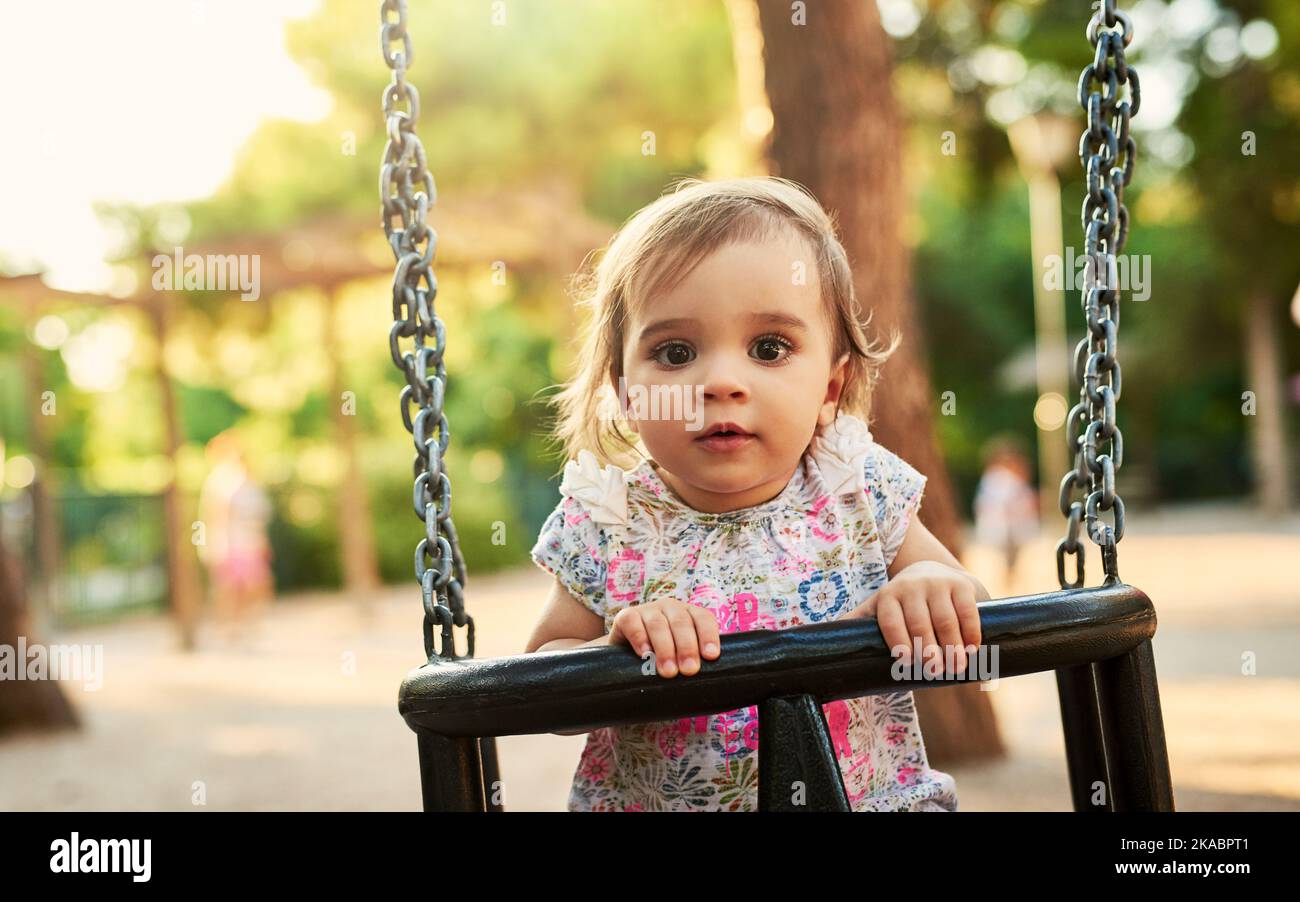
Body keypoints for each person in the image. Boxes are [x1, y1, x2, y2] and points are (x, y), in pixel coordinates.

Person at [525, 176, 990, 812]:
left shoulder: (856, 487)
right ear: (627, 391)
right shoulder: (608, 520)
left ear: (830, 387)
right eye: (675, 351)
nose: (720, 381)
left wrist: (930, 584)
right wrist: (609, 654)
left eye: (769, 348)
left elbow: (979, 616)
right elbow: (540, 684)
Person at [197, 430, 274, 646]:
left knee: (253, 584)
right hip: (230, 543)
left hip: (248, 542)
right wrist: (214, 545)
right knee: (229, 586)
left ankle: (244, 623)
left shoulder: (247, 480)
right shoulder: (220, 482)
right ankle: (229, 626)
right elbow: (214, 516)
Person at [973, 438, 1039, 592]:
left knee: (1013, 558)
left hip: (1011, 527)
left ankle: (1011, 580)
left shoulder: (1000, 479)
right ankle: (1009, 581)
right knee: (1009, 558)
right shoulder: (998, 479)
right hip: (1005, 528)